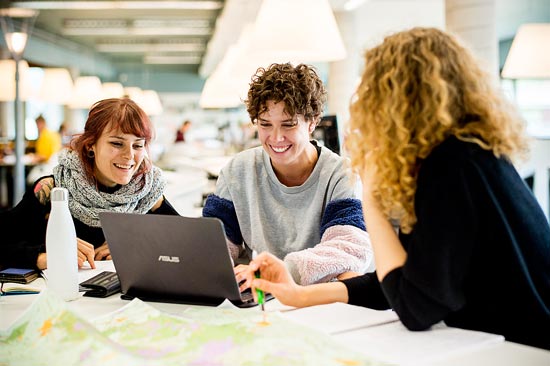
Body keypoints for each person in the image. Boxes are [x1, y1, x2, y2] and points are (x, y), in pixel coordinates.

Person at [236, 28, 550, 349]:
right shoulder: (470, 154)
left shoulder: (448, 168)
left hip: (520, 350)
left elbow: (415, 308)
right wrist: (300, 293)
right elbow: (404, 281)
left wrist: (370, 190)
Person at [203, 63, 373, 286]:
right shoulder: (237, 171)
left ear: (312, 122)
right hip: (258, 293)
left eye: (288, 125)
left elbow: (346, 247)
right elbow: (214, 245)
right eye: (265, 124)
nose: (276, 137)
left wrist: (278, 271)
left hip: (317, 298)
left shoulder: (340, 174)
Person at [1, 98, 179, 270]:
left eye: (138, 146)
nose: (129, 156)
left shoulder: (147, 192)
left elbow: (183, 245)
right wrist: (43, 256)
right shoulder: (51, 190)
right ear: (90, 145)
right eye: (117, 143)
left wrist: (134, 244)